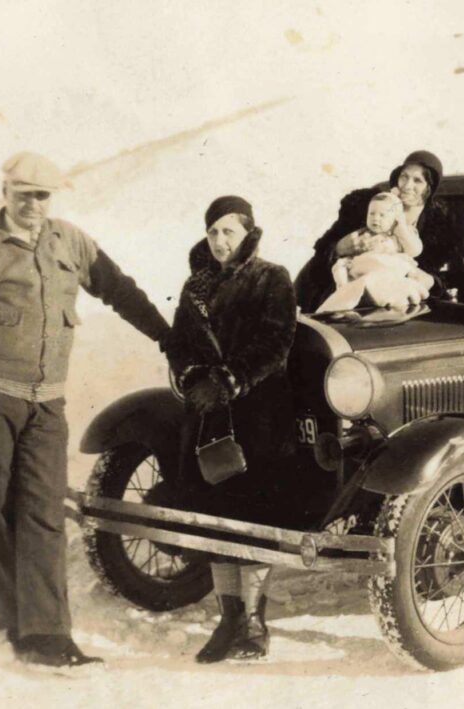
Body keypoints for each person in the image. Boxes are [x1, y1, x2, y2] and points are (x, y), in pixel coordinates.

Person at [0, 152, 171, 667]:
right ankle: (18, 626)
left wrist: (166, 336)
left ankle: (48, 634)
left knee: (44, 513)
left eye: (43, 195)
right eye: (24, 194)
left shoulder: (70, 241)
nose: (34, 204)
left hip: (45, 401)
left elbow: (118, 290)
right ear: (5, 192)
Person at [166, 196, 299, 663]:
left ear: (248, 233)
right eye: (213, 232)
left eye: (229, 232)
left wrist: (229, 378)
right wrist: (192, 378)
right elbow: (179, 343)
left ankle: (256, 625)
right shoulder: (195, 286)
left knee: (252, 518)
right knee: (215, 518)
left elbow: (276, 343)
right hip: (208, 414)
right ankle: (229, 621)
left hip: (257, 415)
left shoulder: (271, 279)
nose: (220, 241)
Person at [294, 149, 460, 312]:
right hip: (344, 288)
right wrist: (339, 248)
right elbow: (321, 253)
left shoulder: (437, 227)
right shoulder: (367, 205)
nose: (408, 186)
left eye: (418, 181)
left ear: (429, 188)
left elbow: (439, 276)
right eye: (404, 177)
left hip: (396, 303)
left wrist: (430, 281)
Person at [318, 191, 435, 313]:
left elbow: (415, 250)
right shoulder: (363, 234)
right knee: (342, 270)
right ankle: (345, 294)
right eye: (371, 214)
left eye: (382, 215)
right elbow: (348, 252)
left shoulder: (399, 236)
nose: (375, 218)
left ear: (395, 219)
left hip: (389, 272)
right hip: (365, 271)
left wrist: (401, 228)